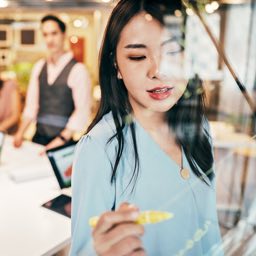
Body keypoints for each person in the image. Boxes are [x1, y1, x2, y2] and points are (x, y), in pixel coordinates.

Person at [71, 0, 223, 255]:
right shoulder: (100, 148)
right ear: (116, 66)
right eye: (138, 56)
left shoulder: (199, 127)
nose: (159, 71)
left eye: (173, 52)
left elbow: (210, 229)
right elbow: (85, 249)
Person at [13, 14, 91, 150]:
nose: (50, 39)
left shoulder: (78, 70)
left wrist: (60, 140)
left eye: (54, 33)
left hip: (63, 142)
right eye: (45, 34)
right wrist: (20, 133)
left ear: (64, 34)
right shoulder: (39, 67)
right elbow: (31, 106)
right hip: (38, 138)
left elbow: (82, 111)